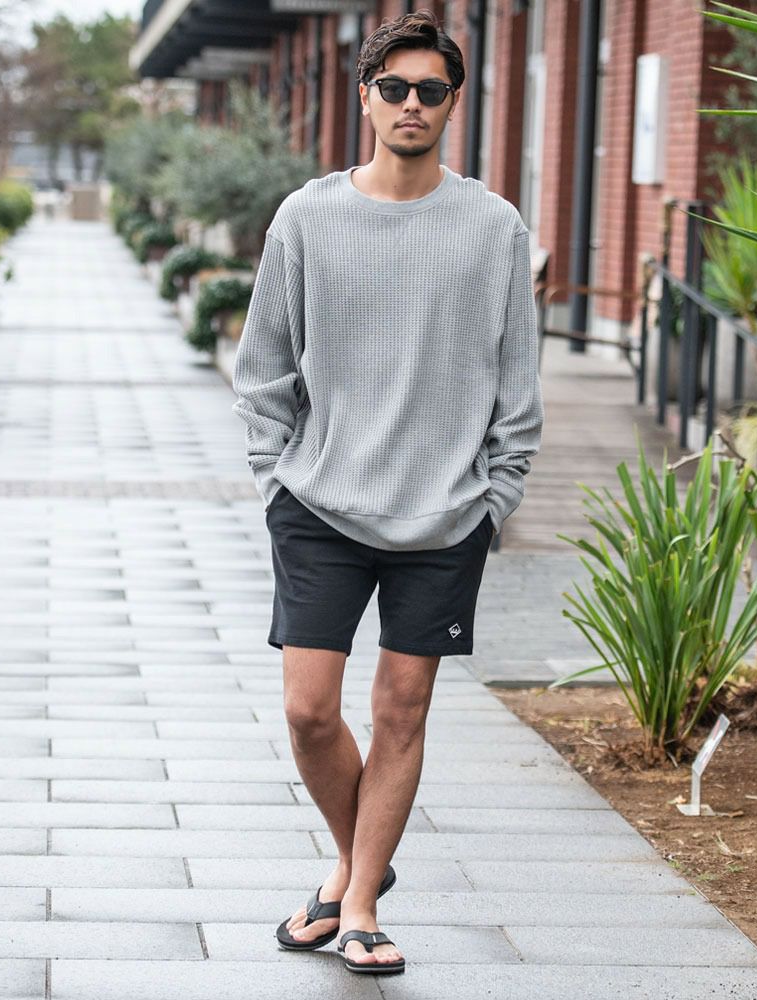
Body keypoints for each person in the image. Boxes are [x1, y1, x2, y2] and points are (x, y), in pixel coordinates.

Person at [230, 9, 543, 977]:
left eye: (431, 91)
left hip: (446, 514)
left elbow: (518, 385)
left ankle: (358, 900)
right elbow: (263, 366)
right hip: (320, 505)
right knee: (308, 711)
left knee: (403, 709)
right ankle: (352, 862)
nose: (413, 104)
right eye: (395, 88)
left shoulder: (493, 227)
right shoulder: (307, 217)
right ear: (366, 97)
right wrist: (276, 479)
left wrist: (494, 500)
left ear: (454, 103)